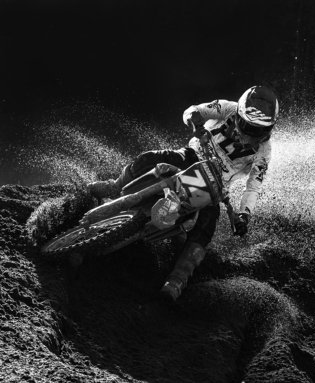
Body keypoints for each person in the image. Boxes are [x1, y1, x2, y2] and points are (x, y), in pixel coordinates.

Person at [87, 85, 278, 301]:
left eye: (259, 130)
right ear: (240, 114)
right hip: (191, 158)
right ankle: (115, 186)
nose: (251, 134)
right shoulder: (227, 108)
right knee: (150, 158)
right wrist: (195, 122)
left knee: (206, 227)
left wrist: (244, 214)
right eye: (248, 126)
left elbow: (253, 186)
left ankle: (177, 280)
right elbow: (193, 110)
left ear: (269, 128)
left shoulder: (265, 151)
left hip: (215, 187)